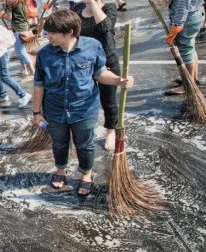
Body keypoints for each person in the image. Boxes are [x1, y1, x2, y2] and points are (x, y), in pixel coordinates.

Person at [32, 10, 134, 197]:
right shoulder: (44, 54)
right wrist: (36, 113)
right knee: (59, 143)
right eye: (48, 32)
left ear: (70, 32)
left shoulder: (92, 46)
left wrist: (118, 80)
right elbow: (39, 85)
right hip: (54, 110)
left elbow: (100, 73)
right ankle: (60, 170)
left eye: (53, 32)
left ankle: (86, 174)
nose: (48, 36)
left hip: (84, 109)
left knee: (84, 144)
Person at [76, 0, 120, 150]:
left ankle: (110, 131)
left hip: (107, 61)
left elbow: (105, 27)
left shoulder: (109, 7)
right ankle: (85, 130)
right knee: (84, 99)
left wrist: (92, 2)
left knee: (108, 101)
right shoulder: (78, 11)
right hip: (84, 64)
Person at [0, 0, 36, 76]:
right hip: (25, 25)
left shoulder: (10, 1)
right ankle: (24, 70)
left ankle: (32, 70)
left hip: (18, 28)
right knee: (22, 49)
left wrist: (1, 14)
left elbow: (9, 17)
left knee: (20, 51)